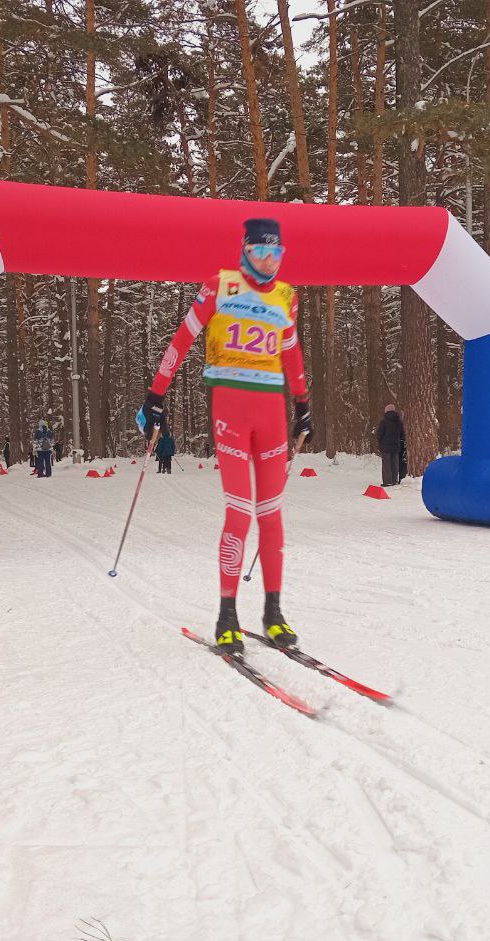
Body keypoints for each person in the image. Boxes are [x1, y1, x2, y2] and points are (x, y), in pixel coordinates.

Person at [138, 217, 313, 654]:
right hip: (230, 412)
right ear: (245, 250)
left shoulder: (287, 296)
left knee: (270, 513)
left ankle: (273, 611)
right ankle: (227, 613)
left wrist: (303, 404)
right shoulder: (220, 285)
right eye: (260, 252)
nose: (268, 261)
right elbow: (183, 338)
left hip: (271, 413)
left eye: (276, 254)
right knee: (239, 512)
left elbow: (291, 352)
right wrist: (156, 393)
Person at [375, 404, 406, 486]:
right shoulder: (399, 422)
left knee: (386, 464)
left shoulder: (384, 421)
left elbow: (379, 434)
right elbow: (402, 434)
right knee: (395, 463)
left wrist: (380, 441)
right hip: (396, 446)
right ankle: (395, 480)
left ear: (386, 411)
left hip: (385, 446)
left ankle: (387, 481)